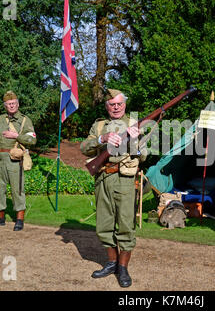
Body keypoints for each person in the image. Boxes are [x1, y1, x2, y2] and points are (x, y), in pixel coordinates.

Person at [80, 88, 146, 288]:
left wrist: (134, 140)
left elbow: (143, 155)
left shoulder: (134, 124)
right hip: (102, 178)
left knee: (126, 225)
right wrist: (102, 139)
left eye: (119, 104)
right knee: (104, 225)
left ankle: (123, 268)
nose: (116, 108)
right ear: (106, 106)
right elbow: (84, 148)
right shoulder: (99, 125)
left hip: (125, 179)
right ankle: (111, 263)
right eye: (112, 104)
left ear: (124, 105)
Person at [0, 91, 37, 231]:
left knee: (17, 190)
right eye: (8, 104)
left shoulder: (25, 120)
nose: (11, 106)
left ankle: (19, 219)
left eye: (13, 103)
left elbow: (32, 139)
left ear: (18, 104)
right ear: (5, 106)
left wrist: (16, 135)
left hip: (14, 159)